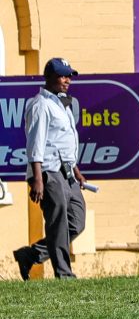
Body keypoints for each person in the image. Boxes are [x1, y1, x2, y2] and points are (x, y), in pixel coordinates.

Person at [12, 57, 88, 280]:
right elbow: (35, 142)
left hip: (66, 171)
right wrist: (37, 178)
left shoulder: (61, 103)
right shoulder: (40, 105)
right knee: (58, 222)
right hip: (47, 171)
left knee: (77, 221)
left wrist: (76, 170)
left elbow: (62, 142)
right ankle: (64, 274)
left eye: (69, 76)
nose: (67, 80)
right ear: (50, 78)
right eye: (62, 76)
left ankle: (30, 255)